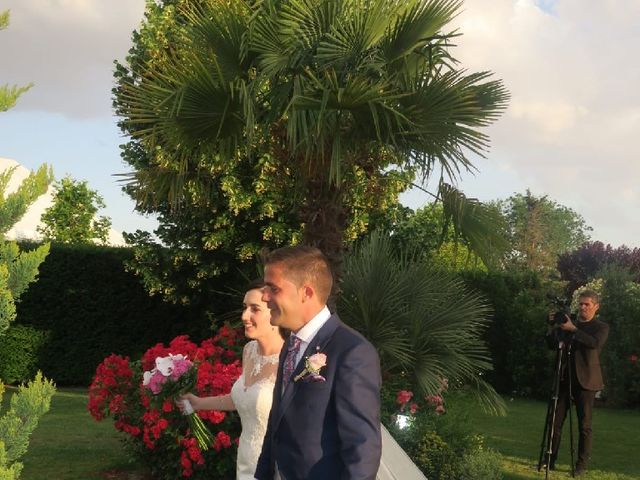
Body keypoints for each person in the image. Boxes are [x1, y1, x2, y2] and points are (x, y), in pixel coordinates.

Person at [254, 245, 382, 480]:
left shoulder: (352, 351)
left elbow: (362, 450)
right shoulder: (291, 345)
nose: (264, 296)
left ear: (307, 293)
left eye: (273, 288)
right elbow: (277, 423)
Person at [179, 280, 285, 480]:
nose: (245, 316)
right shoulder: (249, 351)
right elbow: (244, 399)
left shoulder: (290, 359)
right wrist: (199, 403)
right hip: (246, 459)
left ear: (275, 311)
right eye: (245, 308)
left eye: (255, 309)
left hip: (276, 464)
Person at [546, 290, 609, 476]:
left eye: (586, 304)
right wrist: (552, 326)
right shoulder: (568, 321)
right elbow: (550, 344)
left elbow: (594, 343)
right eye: (580, 303)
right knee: (554, 423)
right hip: (564, 379)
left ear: (596, 307)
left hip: (586, 382)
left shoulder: (601, 327)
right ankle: (549, 461)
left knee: (584, 426)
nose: (582, 307)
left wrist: (573, 329)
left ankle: (581, 466)